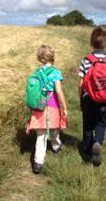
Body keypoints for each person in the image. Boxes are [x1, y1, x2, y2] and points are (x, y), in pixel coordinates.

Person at [78, 26, 106, 166]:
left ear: (91, 42)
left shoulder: (86, 60)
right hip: (103, 99)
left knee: (88, 125)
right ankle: (98, 142)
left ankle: (87, 152)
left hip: (88, 98)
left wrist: (80, 100)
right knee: (101, 123)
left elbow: (81, 83)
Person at [26, 45, 67, 173]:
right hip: (52, 106)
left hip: (39, 107)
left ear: (40, 58)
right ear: (53, 57)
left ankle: (38, 162)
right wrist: (64, 107)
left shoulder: (37, 72)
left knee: (41, 134)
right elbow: (59, 92)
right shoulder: (55, 72)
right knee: (54, 128)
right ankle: (55, 146)